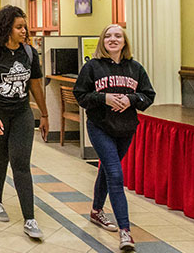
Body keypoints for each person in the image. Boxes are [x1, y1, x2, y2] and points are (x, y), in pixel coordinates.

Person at [73, 24, 155, 252]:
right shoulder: (92, 67)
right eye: (108, 36)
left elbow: (148, 95)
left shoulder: (136, 68)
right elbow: (80, 95)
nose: (113, 39)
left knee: (107, 170)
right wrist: (104, 99)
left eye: (118, 36)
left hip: (126, 129)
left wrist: (131, 100)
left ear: (124, 41)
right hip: (100, 127)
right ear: (102, 41)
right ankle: (125, 231)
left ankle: (96, 211)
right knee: (116, 175)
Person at [0, 5, 49, 240]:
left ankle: (30, 218)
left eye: (24, 26)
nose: (24, 31)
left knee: (21, 163)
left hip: (21, 113)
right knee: (0, 157)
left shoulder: (29, 53)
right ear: (6, 29)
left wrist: (45, 115)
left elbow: (35, 84)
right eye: (19, 27)